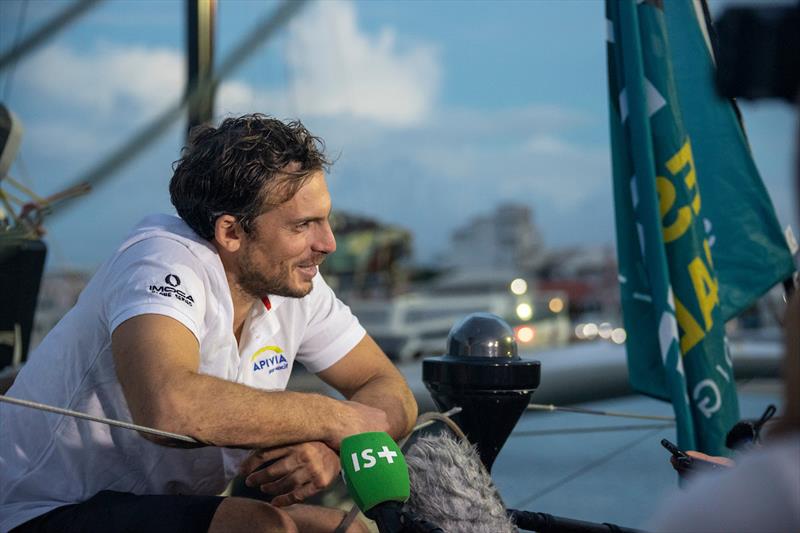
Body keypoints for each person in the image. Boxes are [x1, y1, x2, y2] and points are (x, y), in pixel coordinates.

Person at [0, 114, 418, 533]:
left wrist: (334, 448)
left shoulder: (291, 280)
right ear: (231, 232)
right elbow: (168, 407)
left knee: (348, 530)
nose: (327, 243)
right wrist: (336, 420)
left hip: (151, 507)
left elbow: (389, 389)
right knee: (260, 527)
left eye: (325, 219)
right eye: (302, 225)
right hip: (38, 508)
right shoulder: (161, 261)